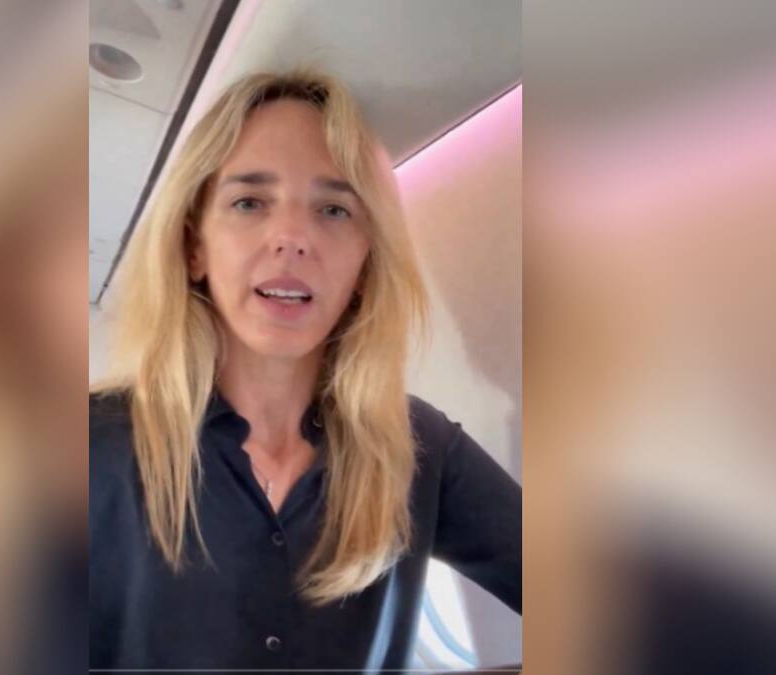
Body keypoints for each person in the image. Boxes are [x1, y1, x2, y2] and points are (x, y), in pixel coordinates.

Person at [90, 70, 521, 670]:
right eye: (249, 202)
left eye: (334, 209)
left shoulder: (422, 448)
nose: (292, 237)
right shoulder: (89, 442)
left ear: (366, 261)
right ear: (194, 248)